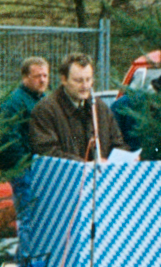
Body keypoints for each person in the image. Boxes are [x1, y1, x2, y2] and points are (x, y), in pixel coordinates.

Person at [30, 53, 125, 162]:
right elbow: (47, 151)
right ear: (64, 79)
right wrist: (86, 165)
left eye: (88, 80)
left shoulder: (99, 107)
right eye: (78, 81)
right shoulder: (45, 110)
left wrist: (123, 157)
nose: (85, 86)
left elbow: (117, 143)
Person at [0, 57, 48, 217]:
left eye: (45, 76)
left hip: (41, 165)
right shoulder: (14, 102)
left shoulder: (44, 99)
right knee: (27, 217)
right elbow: (9, 138)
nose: (42, 80)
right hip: (24, 169)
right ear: (25, 77)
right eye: (37, 76)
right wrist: (24, 164)